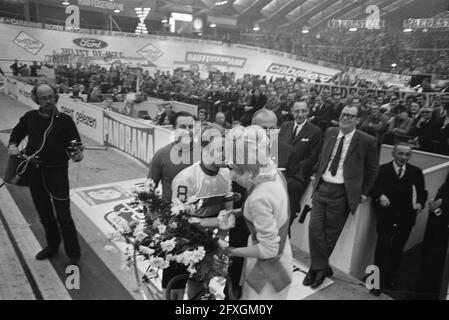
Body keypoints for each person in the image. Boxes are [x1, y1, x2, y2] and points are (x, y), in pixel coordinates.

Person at [303, 105, 379, 289]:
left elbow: (373, 169)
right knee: (314, 228)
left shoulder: (366, 140)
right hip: (322, 188)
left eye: (350, 116)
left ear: (357, 120)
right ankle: (320, 268)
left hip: (343, 193)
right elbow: (323, 156)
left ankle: (316, 270)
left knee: (330, 234)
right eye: (343, 114)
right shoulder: (330, 131)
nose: (345, 118)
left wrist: (363, 192)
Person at [8, 83, 83, 265]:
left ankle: (73, 253)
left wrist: (77, 154)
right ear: (36, 100)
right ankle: (52, 245)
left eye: (51, 96)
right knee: (44, 213)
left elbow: (75, 147)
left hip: (57, 173)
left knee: (63, 215)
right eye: (44, 98)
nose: (49, 101)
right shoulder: (30, 117)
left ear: (56, 96)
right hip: (35, 171)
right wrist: (12, 145)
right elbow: (16, 134)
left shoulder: (65, 120)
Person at [226, 125, 292, 299]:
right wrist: (239, 212)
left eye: (235, 168)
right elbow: (273, 211)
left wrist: (230, 251)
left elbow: (269, 250)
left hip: (266, 264)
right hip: (282, 249)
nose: (232, 174)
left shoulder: (259, 198)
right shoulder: (274, 173)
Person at [171, 123, 234, 299]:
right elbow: (181, 221)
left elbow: (226, 215)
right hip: (180, 239)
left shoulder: (226, 173)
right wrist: (217, 222)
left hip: (206, 240)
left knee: (198, 283)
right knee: (175, 286)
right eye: (221, 149)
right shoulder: (186, 178)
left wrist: (220, 238)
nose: (227, 154)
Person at [146, 111, 196, 299]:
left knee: (197, 275)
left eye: (191, 126)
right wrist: (154, 220)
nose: (188, 131)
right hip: (172, 227)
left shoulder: (205, 155)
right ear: (174, 129)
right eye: (183, 126)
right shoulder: (162, 155)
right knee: (173, 275)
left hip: (200, 225)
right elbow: (149, 191)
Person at [370, 143, 427, 296]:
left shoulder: (416, 172)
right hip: (386, 216)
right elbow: (373, 187)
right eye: (400, 154)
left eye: (407, 155)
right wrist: (380, 195)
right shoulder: (382, 170)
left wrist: (420, 203)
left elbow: (422, 192)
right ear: (393, 154)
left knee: (397, 249)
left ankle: (390, 278)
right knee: (382, 247)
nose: (403, 157)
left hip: (406, 218)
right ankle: (374, 282)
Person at [278, 101, 322, 225]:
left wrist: (292, 170)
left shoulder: (315, 131)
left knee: (289, 213)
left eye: (303, 111)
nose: (300, 114)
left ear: (308, 112)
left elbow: (312, 158)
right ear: (292, 111)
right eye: (297, 111)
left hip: (297, 178)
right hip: (279, 176)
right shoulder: (285, 125)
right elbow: (278, 149)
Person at [416, 171, 449, 299]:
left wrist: (442, 203)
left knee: (436, 261)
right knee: (429, 258)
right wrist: (435, 205)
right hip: (436, 226)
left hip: (442, 231)